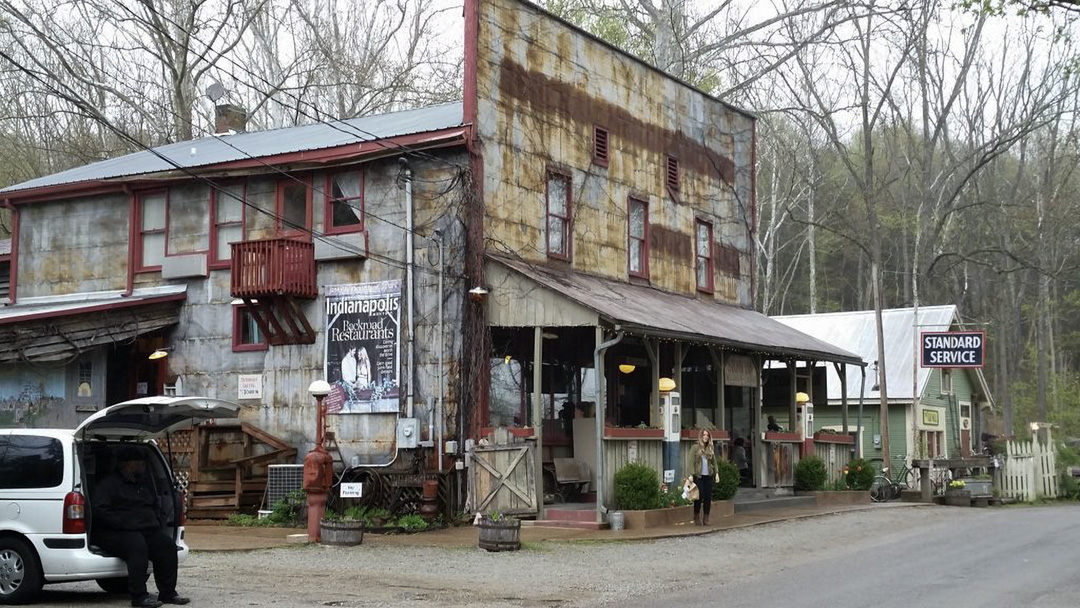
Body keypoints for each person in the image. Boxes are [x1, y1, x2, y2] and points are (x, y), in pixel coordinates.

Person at [91, 447, 190, 608]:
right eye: (140, 462)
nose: (143, 465)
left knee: (167, 546)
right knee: (137, 546)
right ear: (128, 464)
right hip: (114, 532)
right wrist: (124, 523)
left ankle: (168, 593)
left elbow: (153, 505)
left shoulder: (142, 484)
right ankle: (139, 596)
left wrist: (155, 521)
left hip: (143, 530)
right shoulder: (108, 485)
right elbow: (99, 511)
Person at [686, 429, 719, 526]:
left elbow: (714, 462)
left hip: (708, 476)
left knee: (708, 498)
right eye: (704, 435)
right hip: (699, 476)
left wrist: (716, 473)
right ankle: (696, 516)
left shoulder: (710, 448)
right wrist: (691, 474)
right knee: (698, 497)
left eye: (707, 435)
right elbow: (690, 461)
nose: (705, 437)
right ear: (701, 436)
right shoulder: (695, 447)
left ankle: (706, 517)